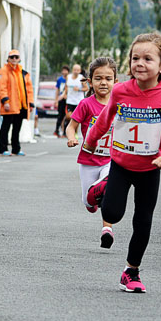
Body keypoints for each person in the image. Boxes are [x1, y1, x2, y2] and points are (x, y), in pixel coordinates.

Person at [84, 32, 161, 293]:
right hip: (121, 163)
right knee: (112, 214)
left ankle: (132, 271)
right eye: (134, 58)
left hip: (150, 168)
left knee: (143, 221)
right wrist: (91, 141)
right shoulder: (121, 91)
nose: (139, 63)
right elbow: (105, 120)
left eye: (147, 59)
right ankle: (102, 188)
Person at [66, 57, 118, 249]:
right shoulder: (86, 104)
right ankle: (90, 202)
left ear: (115, 81)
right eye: (98, 78)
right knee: (89, 203)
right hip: (88, 160)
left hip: (111, 160)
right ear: (90, 81)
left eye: (108, 78)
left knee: (107, 191)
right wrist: (71, 138)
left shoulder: (119, 104)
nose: (103, 82)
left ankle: (107, 230)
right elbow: (71, 126)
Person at [0, 49, 34, 156]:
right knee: (6, 127)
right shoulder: (3, 71)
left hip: (21, 105)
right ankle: (3, 149)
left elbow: (29, 89)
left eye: (16, 57)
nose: (14, 59)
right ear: (8, 59)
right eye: (12, 57)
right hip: (10, 104)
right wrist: (5, 101)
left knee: (17, 128)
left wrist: (30, 103)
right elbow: (1, 87)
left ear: (19, 59)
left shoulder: (24, 73)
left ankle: (16, 149)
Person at [63, 64, 84, 135]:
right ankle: (70, 129)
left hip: (78, 101)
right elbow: (66, 86)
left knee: (76, 118)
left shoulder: (81, 78)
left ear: (80, 71)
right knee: (69, 116)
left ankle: (75, 132)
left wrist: (79, 89)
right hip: (70, 100)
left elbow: (86, 88)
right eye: (75, 70)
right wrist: (65, 94)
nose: (76, 71)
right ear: (72, 70)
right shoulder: (68, 77)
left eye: (78, 70)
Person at [54, 65, 70, 137]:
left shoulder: (70, 79)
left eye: (66, 70)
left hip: (68, 100)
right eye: (63, 70)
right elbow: (57, 90)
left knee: (68, 116)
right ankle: (57, 130)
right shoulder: (60, 79)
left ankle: (65, 132)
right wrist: (56, 100)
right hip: (61, 99)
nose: (64, 72)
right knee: (60, 116)